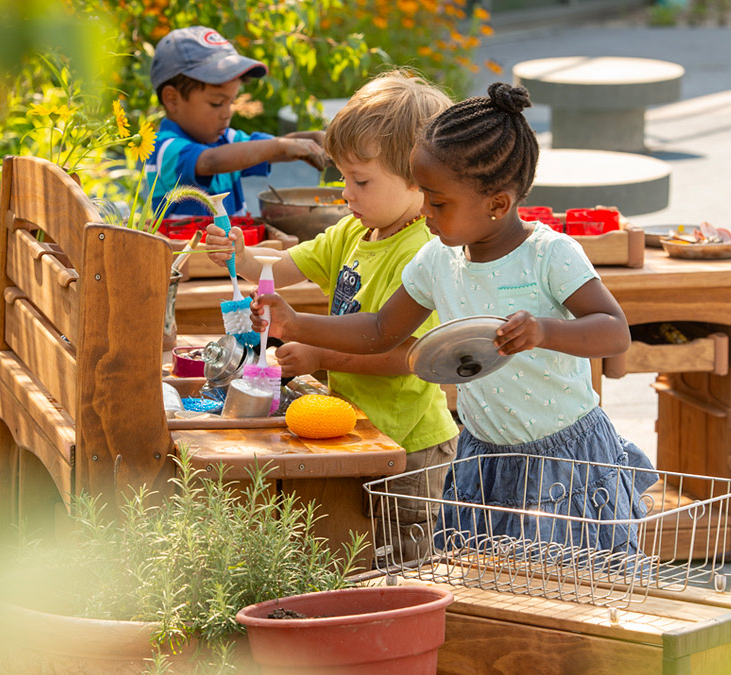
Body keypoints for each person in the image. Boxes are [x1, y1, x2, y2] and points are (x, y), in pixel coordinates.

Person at [249, 82, 658, 556]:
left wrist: (546, 330)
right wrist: (295, 324)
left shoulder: (549, 254)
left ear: (498, 204)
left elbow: (614, 331)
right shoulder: (435, 260)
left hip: (562, 455)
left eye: (438, 202)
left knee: (571, 585)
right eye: (423, 194)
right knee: (487, 587)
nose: (424, 210)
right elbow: (380, 330)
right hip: (484, 455)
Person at [206, 69, 460, 563]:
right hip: (357, 431)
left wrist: (319, 354)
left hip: (407, 444)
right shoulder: (352, 233)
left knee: (396, 560)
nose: (346, 193)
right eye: (343, 177)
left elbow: (406, 355)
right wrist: (240, 255)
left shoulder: (423, 254)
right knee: (349, 546)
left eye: (360, 181)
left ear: (418, 178)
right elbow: (278, 270)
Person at [147, 26, 329, 217]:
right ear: (172, 99)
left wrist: (310, 139)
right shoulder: (164, 148)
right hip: (188, 247)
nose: (227, 114)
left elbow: (265, 150)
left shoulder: (226, 138)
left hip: (232, 246)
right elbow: (211, 161)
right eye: (217, 103)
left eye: (231, 102)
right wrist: (281, 146)